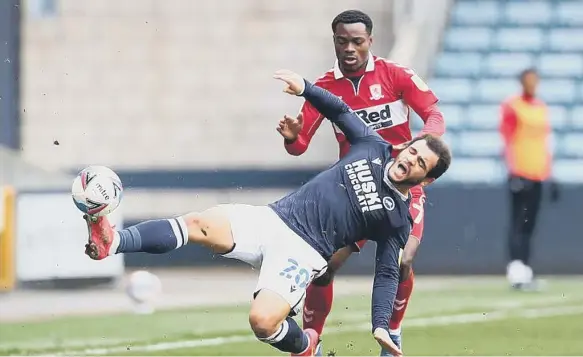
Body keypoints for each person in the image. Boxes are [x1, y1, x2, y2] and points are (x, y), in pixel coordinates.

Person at [83, 70, 451, 357]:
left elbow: (388, 272)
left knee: (261, 321)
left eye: (421, 163)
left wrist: (380, 324)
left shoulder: (397, 219)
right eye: (413, 151)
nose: (410, 160)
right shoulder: (373, 145)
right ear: (405, 145)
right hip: (272, 219)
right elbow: (339, 110)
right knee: (198, 223)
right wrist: (305, 87)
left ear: (427, 179)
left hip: (303, 253)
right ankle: (113, 241)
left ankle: (304, 345)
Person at [276, 10, 445, 355]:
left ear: (370, 41)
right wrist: (292, 137)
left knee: (403, 260)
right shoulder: (323, 88)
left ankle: (393, 331)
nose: (349, 48)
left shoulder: (396, 75)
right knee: (322, 266)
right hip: (355, 190)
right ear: (334, 41)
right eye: (342, 41)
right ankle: (310, 343)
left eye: (357, 41)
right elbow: (300, 146)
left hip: (401, 187)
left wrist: (418, 146)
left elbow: (434, 115)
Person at [499, 68, 559, 291]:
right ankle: (516, 270)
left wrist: (550, 173)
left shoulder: (541, 108)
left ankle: (525, 268)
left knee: (530, 224)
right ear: (522, 82)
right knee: (518, 222)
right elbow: (506, 139)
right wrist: (513, 170)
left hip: (538, 173)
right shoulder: (512, 106)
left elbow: (546, 143)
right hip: (520, 173)